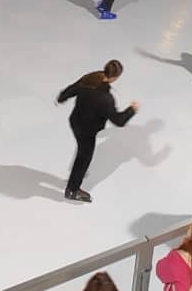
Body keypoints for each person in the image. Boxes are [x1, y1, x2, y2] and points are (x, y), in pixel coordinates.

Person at [56, 60, 138, 202]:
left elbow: (72, 89)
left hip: (75, 121)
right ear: (115, 77)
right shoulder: (105, 98)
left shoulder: (90, 78)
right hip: (87, 130)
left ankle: (76, 176)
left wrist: (61, 98)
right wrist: (132, 110)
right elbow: (119, 121)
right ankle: (72, 190)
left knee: (82, 153)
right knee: (84, 157)